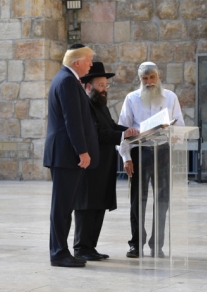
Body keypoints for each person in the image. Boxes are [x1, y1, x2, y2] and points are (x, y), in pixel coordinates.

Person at [73, 62, 139, 261]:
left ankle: (90, 247)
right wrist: (123, 134)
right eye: (100, 85)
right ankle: (81, 247)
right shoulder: (84, 105)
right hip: (90, 167)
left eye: (105, 85)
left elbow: (110, 126)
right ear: (89, 86)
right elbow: (97, 133)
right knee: (87, 207)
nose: (104, 89)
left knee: (99, 206)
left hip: (103, 167)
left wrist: (131, 132)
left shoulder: (101, 106)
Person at [118, 62, 185, 258]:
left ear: (158, 77)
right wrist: (126, 157)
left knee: (162, 200)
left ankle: (157, 244)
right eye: (145, 79)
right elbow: (123, 129)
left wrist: (176, 135)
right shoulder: (131, 98)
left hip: (162, 152)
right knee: (137, 201)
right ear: (140, 80)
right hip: (140, 153)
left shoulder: (170, 97)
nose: (149, 82)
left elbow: (179, 124)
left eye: (152, 78)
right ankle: (136, 244)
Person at [43, 44, 99, 268]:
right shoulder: (67, 80)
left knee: (64, 206)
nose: (91, 64)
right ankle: (58, 253)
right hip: (66, 154)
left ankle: (61, 250)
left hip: (65, 153)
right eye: (88, 60)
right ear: (77, 62)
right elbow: (72, 120)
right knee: (62, 207)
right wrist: (82, 151)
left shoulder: (66, 78)